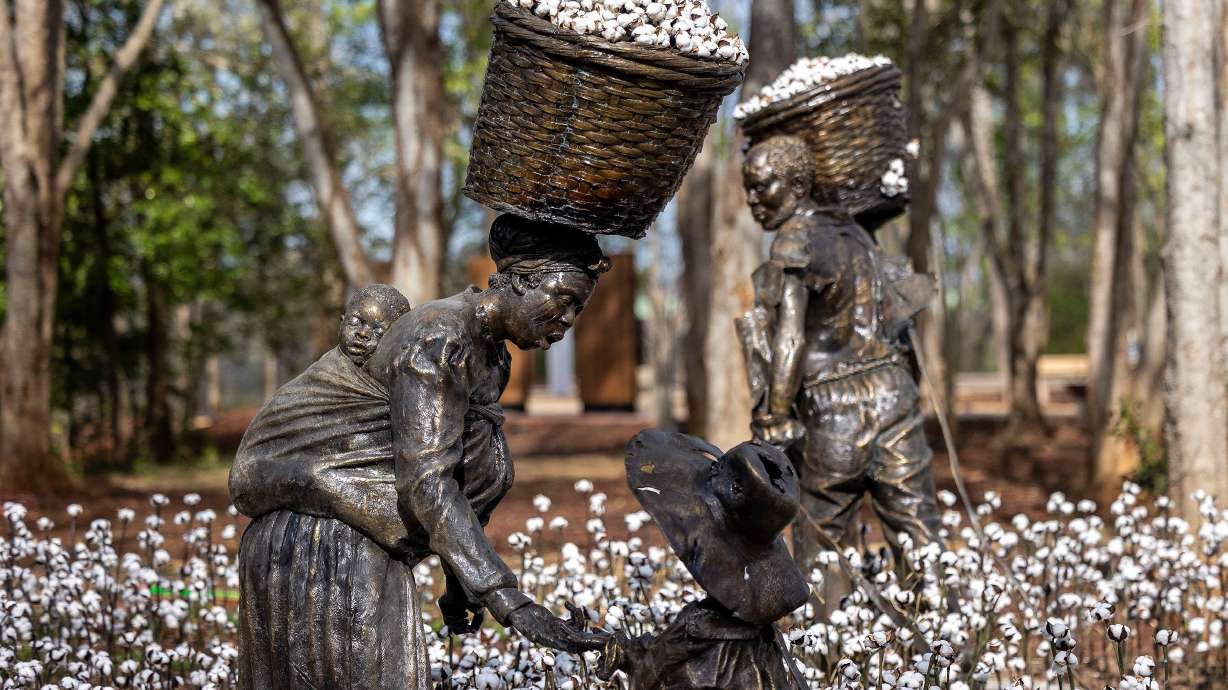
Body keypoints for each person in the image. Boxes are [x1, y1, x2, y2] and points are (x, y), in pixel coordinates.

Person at [230, 214, 610, 690]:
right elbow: (428, 483)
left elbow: (459, 476)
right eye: (564, 301)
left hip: (365, 543)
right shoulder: (440, 337)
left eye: (579, 309)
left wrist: (459, 587)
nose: (569, 320)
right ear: (518, 282)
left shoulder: (492, 356)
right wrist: (510, 600)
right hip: (325, 543)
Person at [738, 135, 943, 577]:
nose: (752, 199)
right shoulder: (856, 234)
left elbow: (789, 339)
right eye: (748, 188)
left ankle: (827, 644)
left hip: (834, 409)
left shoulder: (796, 239)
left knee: (822, 544)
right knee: (919, 534)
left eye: (762, 186)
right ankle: (947, 641)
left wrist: (774, 415)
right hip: (895, 395)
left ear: (796, 185)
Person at [597, 430, 810, 690]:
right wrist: (626, 654)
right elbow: (657, 660)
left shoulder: (714, 647)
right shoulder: (751, 641)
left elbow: (659, 671)